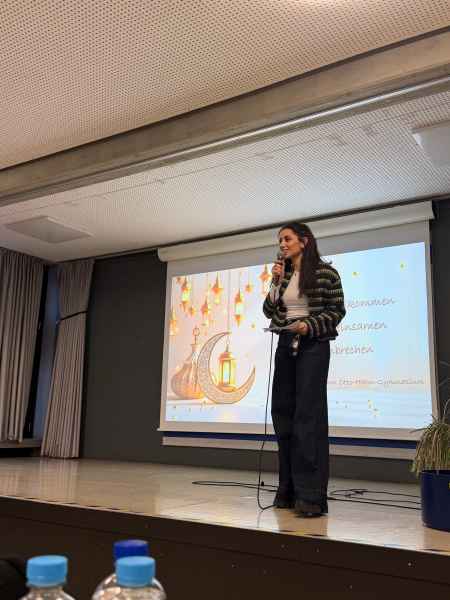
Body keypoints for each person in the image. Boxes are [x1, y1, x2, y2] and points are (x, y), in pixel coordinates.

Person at [263, 222, 346, 517]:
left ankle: (310, 497)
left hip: (313, 346)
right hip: (286, 345)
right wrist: (275, 283)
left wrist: (308, 325)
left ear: (304, 241)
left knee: (307, 419)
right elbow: (269, 311)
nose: (282, 244)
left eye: (287, 238)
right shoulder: (283, 275)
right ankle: (287, 490)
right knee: (283, 415)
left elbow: (336, 311)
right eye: (280, 240)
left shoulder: (327, 273)